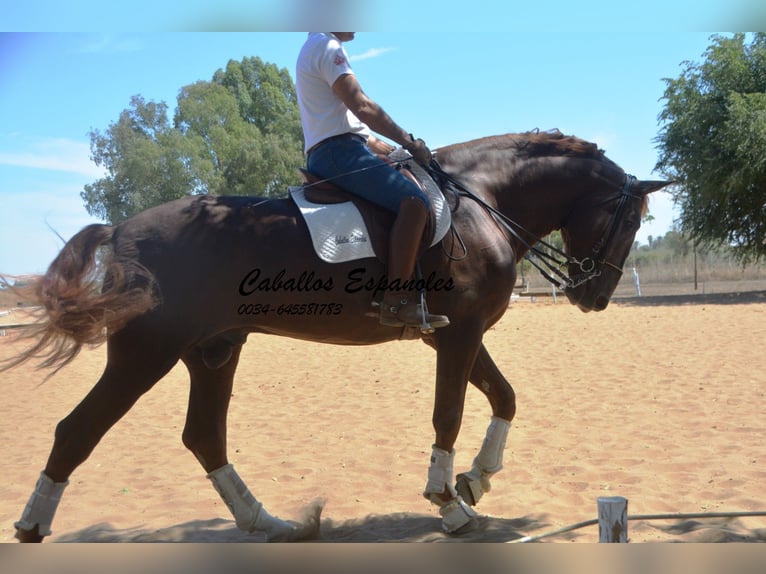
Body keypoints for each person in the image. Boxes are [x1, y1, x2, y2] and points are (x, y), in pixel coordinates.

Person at [295, 32, 449, 330]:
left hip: (341, 148)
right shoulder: (327, 46)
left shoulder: (316, 46)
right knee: (415, 203)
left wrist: (397, 151)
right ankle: (396, 301)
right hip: (338, 153)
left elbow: (356, 131)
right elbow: (362, 106)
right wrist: (410, 141)